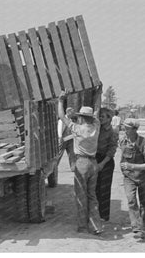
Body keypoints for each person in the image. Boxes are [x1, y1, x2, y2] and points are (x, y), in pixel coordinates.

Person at [58, 89, 102, 235]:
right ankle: (96, 226)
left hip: (82, 163)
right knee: (92, 195)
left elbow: (61, 117)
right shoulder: (96, 127)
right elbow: (97, 112)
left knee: (81, 196)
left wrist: (60, 101)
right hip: (93, 163)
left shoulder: (77, 128)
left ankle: (83, 226)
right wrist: (98, 94)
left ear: (81, 117)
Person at [119, 118, 145, 240]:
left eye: (127, 128)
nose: (124, 130)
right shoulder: (123, 141)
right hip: (129, 178)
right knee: (131, 201)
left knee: (144, 204)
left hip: (144, 178)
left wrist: (132, 166)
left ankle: (142, 228)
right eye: (124, 127)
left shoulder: (144, 143)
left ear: (135, 129)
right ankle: (137, 228)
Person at [95, 107, 118, 221]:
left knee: (104, 189)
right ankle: (94, 214)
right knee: (94, 188)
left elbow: (111, 150)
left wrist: (102, 164)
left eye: (103, 116)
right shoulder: (96, 129)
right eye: (99, 116)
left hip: (106, 161)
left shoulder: (112, 132)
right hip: (96, 159)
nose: (100, 118)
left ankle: (103, 216)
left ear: (109, 118)